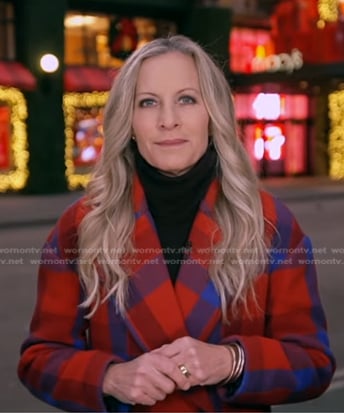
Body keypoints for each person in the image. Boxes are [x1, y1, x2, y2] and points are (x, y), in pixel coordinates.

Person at [18, 34, 336, 412]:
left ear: (212, 113)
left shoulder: (269, 223)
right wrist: (108, 376)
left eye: (187, 99)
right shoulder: (82, 225)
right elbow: (39, 359)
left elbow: (313, 364)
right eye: (148, 103)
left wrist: (232, 361)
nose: (168, 121)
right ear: (129, 121)